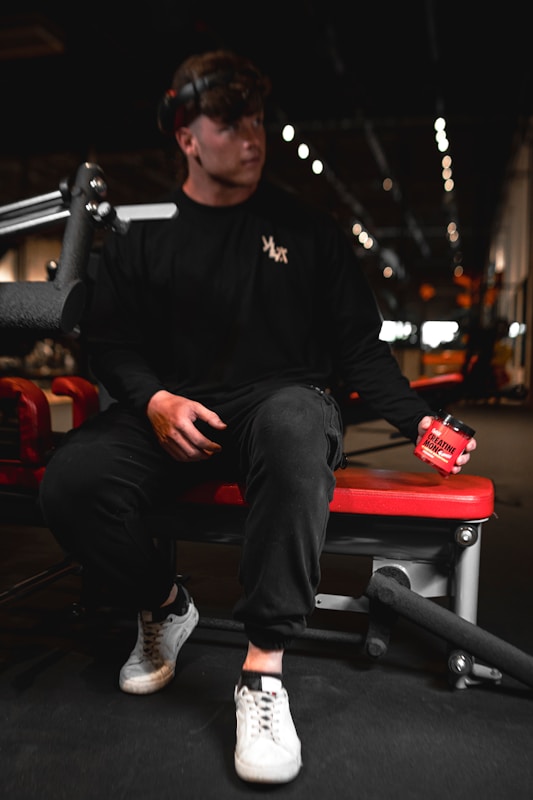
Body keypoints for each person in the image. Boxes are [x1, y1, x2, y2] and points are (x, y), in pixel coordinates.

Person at [39, 49, 477, 785]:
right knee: (70, 482)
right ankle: (163, 607)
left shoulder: (307, 234)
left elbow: (359, 354)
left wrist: (416, 421)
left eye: (258, 119)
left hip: (276, 405)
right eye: (229, 120)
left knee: (295, 423)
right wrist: (153, 401)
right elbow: (109, 344)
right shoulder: (143, 235)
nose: (253, 134)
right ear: (185, 135)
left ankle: (261, 669)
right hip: (172, 410)